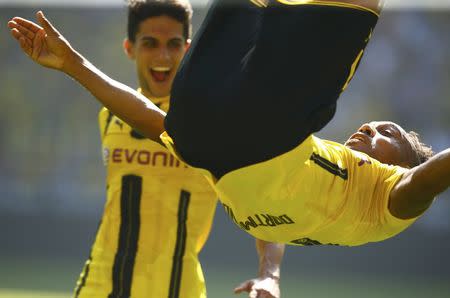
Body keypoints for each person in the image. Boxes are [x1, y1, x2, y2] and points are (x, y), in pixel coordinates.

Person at [7, 0, 449, 253]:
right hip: (202, 124)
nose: (371, 130)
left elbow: (434, 174)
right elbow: (164, 126)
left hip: (237, 128)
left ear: (405, 167)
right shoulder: (314, 176)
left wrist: (73, 66)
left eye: (388, 134)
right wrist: (73, 64)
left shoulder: (392, 201)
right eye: (376, 126)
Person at [7, 1, 284, 298]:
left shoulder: (212, 121)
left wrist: (269, 275)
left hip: (180, 289)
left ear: (187, 49)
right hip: (99, 287)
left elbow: (262, 201)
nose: (162, 56)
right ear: (130, 48)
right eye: (150, 43)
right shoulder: (109, 116)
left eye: (173, 44)